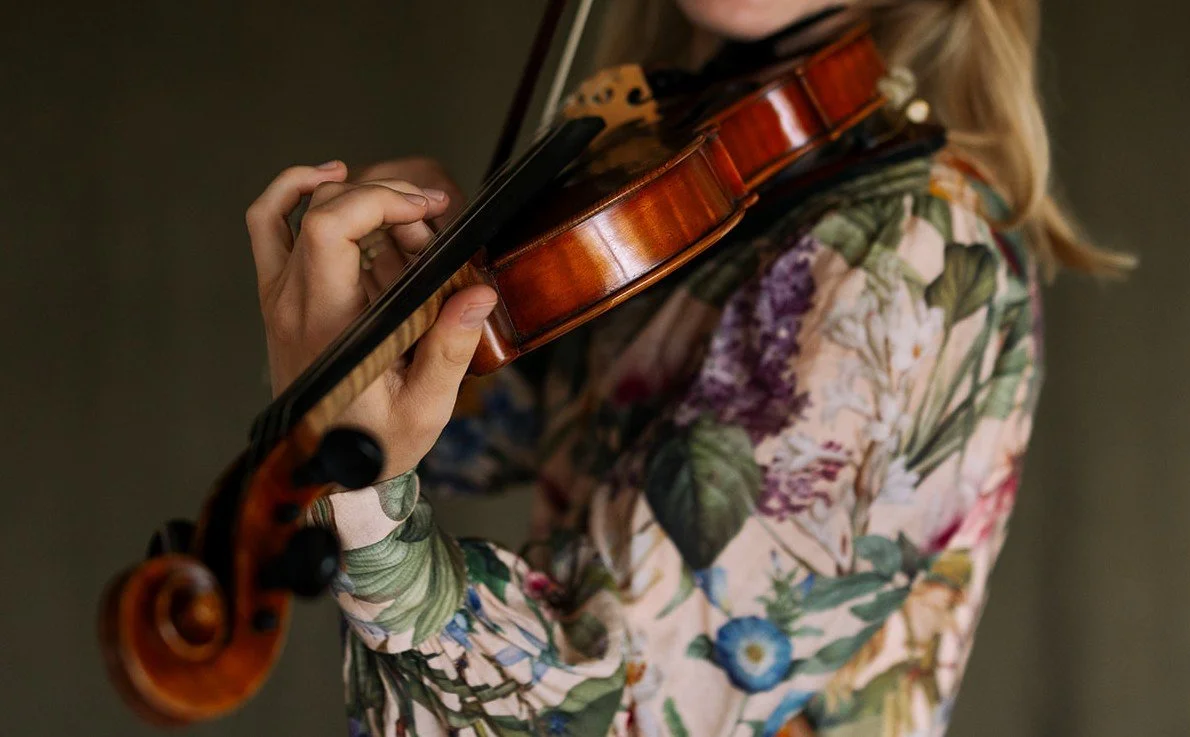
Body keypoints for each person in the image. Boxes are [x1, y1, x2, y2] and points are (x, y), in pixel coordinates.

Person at [242, 1, 1131, 735]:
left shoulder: (909, 251)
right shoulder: (679, 165)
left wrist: (363, 490)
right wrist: (391, 335)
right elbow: (524, 429)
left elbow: (624, 700)